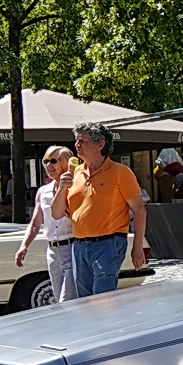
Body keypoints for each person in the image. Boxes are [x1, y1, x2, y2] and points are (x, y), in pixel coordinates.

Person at [53, 122, 148, 297]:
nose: (76, 145)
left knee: (102, 297)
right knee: (85, 300)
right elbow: (57, 214)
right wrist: (61, 188)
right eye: (76, 141)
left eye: (82, 141)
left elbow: (139, 210)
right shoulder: (73, 174)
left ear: (100, 145)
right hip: (80, 245)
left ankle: (109, 324)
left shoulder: (120, 172)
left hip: (109, 243)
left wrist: (138, 247)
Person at [16, 146, 77, 303]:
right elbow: (36, 223)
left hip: (72, 247)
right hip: (52, 251)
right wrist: (24, 246)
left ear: (67, 162)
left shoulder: (77, 187)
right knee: (58, 300)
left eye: (53, 161)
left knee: (67, 300)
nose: (49, 166)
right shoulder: (43, 191)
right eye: (45, 161)